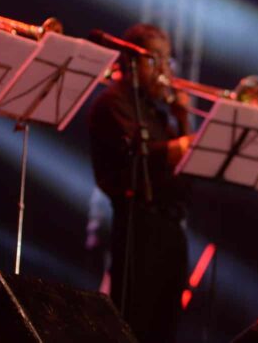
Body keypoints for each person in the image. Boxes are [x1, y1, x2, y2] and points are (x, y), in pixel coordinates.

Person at [88, 24, 192, 343]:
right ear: (132, 61)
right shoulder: (112, 102)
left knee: (165, 327)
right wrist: (186, 145)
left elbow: (184, 173)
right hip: (138, 226)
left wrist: (183, 119)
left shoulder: (157, 113)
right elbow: (140, 157)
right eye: (155, 59)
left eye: (166, 60)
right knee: (134, 325)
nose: (164, 70)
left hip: (170, 228)